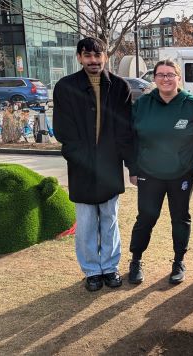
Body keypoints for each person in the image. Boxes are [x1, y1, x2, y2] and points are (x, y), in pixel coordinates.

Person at [53, 37, 135, 292]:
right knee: (87, 221)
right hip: (81, 167)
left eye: (98, 56)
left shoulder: (119, 86)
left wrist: (131, 165)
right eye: (87, 56)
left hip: (110, 166)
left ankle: (110, 268)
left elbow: (125, 130)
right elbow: (63, 130)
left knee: (109, 219)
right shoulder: (66, 87)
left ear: (106, 57)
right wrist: (80, 157)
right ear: (79, 58)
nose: (93, 61)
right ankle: (91, 270)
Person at [127, 59, 193, 285]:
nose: (166, 79)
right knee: (147, 217)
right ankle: (136, 259)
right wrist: (132, 169)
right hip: (149, 173)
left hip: (182, 173)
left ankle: (178, 261)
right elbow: (131, 139)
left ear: (179, 78)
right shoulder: (142, 104)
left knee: (180, 218)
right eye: (161, 75)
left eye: (171, 75)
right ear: (155, 78)